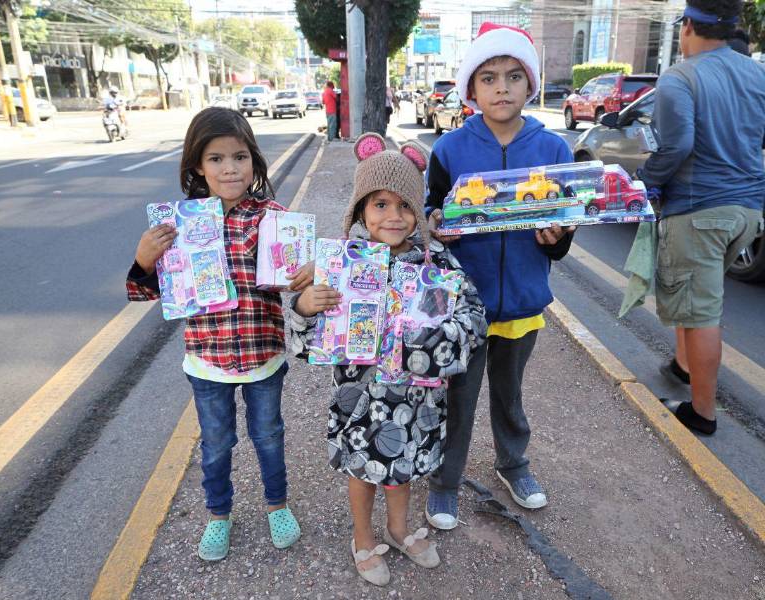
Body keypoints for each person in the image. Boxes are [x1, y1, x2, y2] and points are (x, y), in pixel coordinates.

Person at [289, 133, 486, 586]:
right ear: (360, 210)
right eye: (380, 204)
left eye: (405, 205)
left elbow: (474, 317)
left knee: (402, 466)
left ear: (418, 210)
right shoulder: (339, 262)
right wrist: (304, 306)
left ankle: (398, 529)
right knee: (362, 469)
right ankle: (362, 537)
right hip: (359, 395)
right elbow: (307, 338)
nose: (394, 216)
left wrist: (434, 341)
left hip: (415, 397)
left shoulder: (437, 263)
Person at [126, 107, 314, 561]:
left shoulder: (274, 218)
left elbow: (298, 288)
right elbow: (147, 291)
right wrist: (145, 258)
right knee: (215, 444)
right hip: (206, 361)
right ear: (197, 166)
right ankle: (218, 515)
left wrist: (309, 274)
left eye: (240, 157)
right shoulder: (177, 225)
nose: (230, 168)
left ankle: (277, 505)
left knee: (269, 435)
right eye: (216, 158)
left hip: (263, 356)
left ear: (254, 161)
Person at [423, 22, 576, 527]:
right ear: (471, 88)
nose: (502, 88)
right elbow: (432, 212)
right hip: (464, 307)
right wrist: (438, 225)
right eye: (488, 78)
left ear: (531, 83)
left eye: (514, 76)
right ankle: (445, 482)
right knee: (458, 396)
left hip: (524, 300)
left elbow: (565, 224)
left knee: (510, 395)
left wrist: (557, 238)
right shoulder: (449, 150)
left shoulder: (554, 150)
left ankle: (514, 464)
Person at [639, 0, 765, 435]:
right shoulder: (757, 74)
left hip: (699, 211)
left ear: (688, 26)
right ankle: (682, 364)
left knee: (701, 314)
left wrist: (644, 181)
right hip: (748, 212)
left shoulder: (680, 77)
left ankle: (702, 413)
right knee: (695, 296)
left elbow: (676, 146)